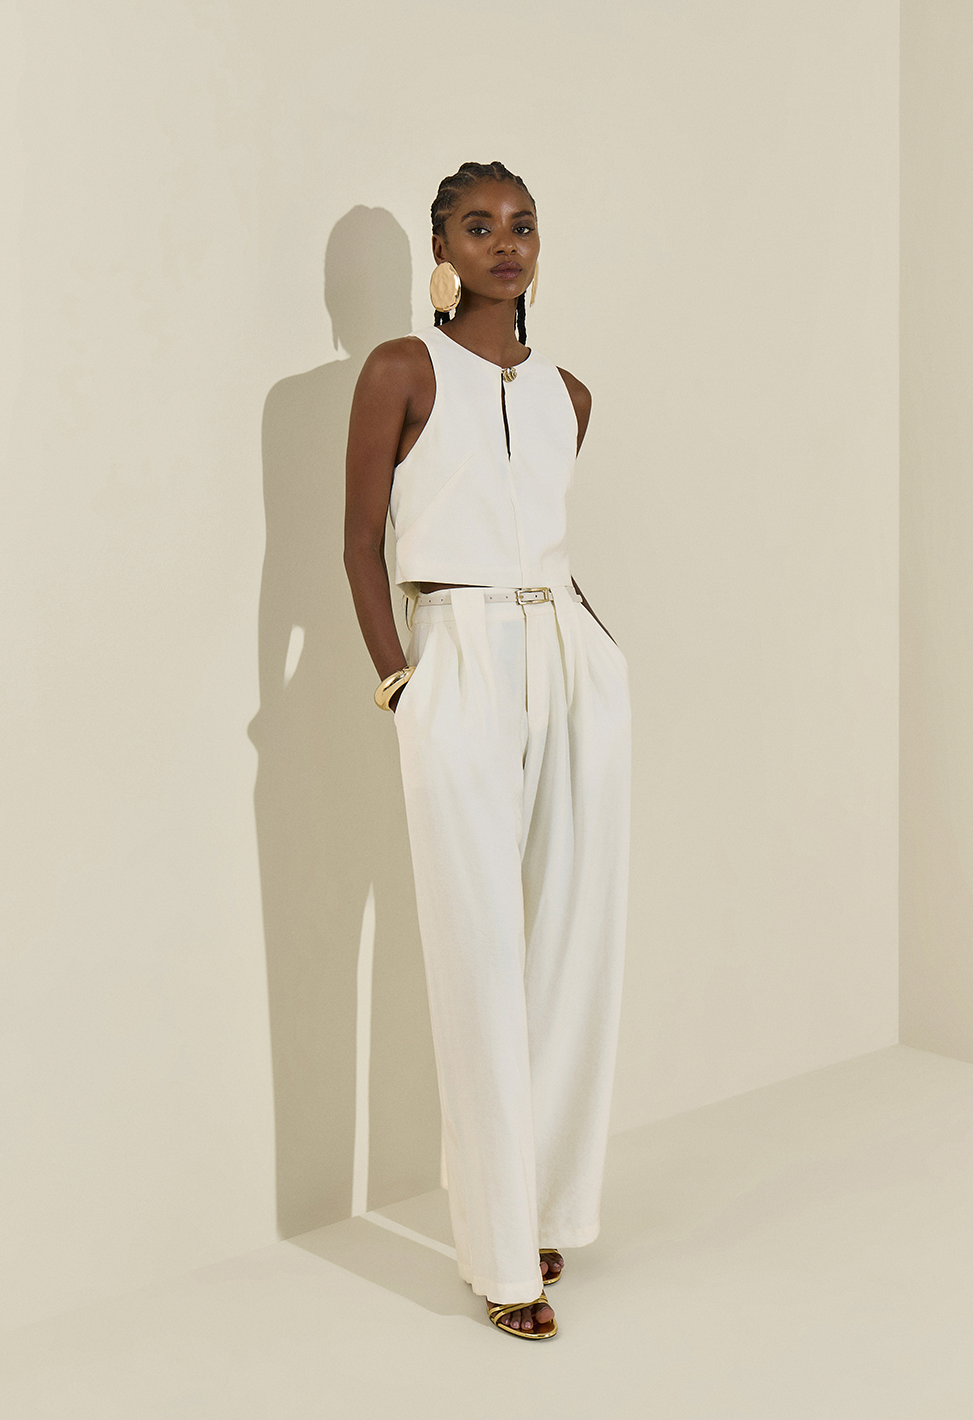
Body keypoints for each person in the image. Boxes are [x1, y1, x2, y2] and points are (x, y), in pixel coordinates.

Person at [343, 161, 632, 1340]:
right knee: (476, 949)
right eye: (478, 226)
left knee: (572, 940)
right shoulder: (401, 370)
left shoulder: (570, 394)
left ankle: (545, 1207)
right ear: (442, 249)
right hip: (454, 653)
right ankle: (500, 1253)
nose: (504, 243)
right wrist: (400, 681)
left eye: (521, 226)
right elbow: (359, 541)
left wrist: (596, 656)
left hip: (569, 658)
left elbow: (544, 539)